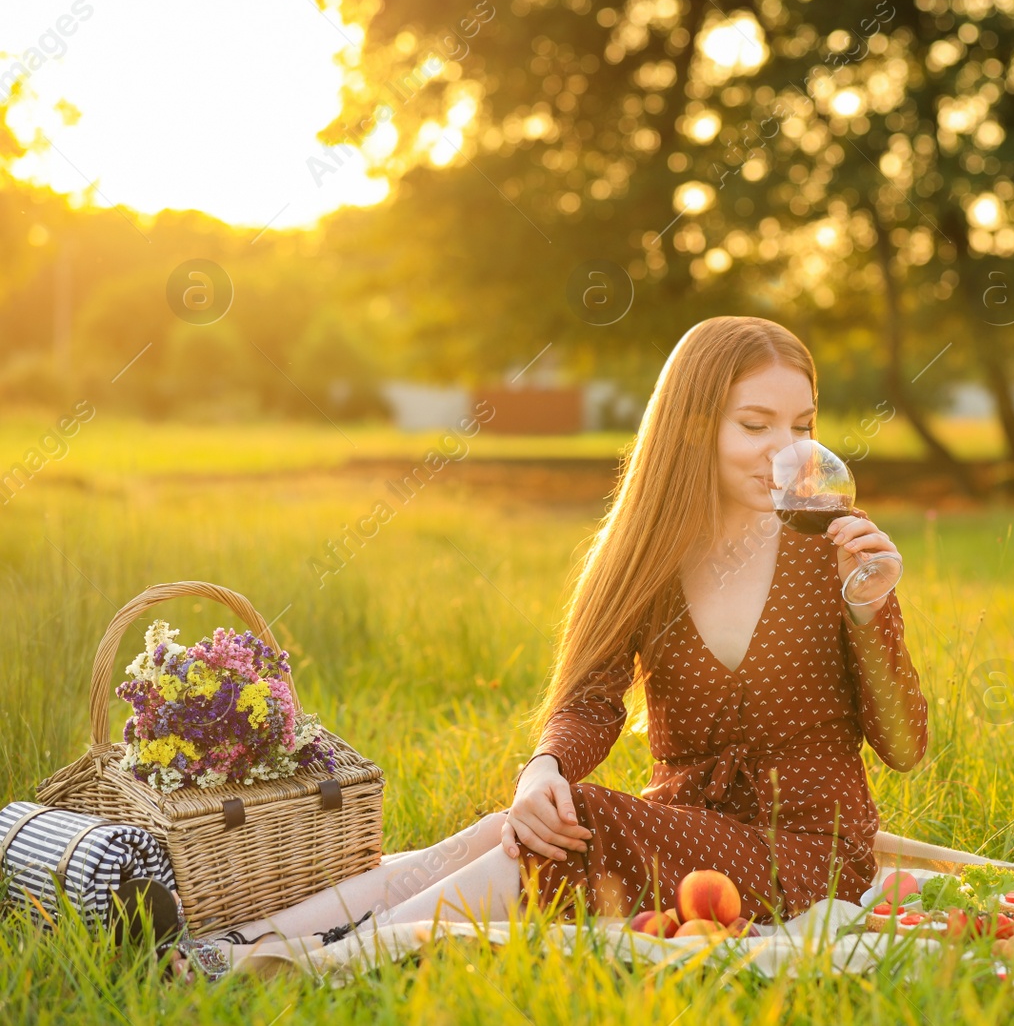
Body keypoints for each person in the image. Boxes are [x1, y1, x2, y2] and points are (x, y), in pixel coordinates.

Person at [168, 316, 927, 980]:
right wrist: (542, 769)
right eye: (756, 425)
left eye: (803, 426)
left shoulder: (834, 551)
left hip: (808, 853)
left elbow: (904, 744)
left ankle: (325, 961)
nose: (786, 452)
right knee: (530, 817)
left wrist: (870, 610)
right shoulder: (645, 553)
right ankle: (240, 938)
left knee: (581, 821)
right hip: (686, 830)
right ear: (694, 425)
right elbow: (592, 701)